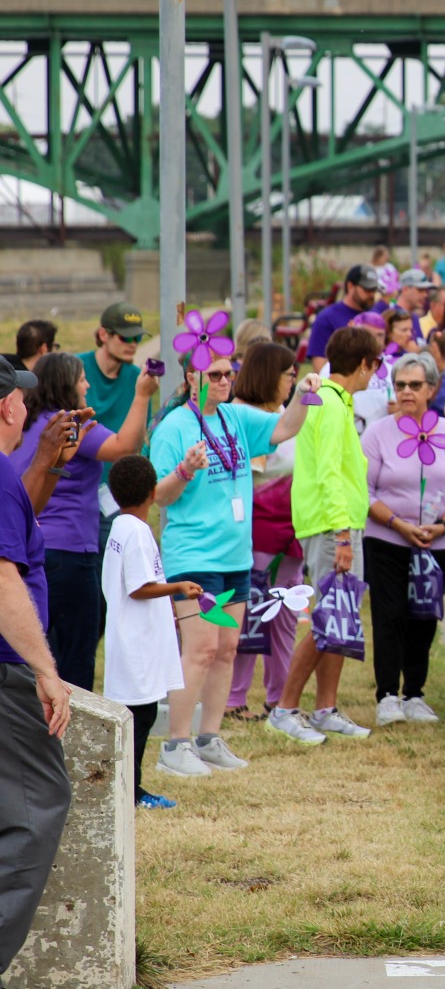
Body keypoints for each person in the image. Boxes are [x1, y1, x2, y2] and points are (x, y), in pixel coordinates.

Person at [148, 342, 312, 775]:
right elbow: (156, 496)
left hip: (234, 557)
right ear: (191, 379)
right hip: (194, 557)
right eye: (215, 375)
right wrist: (184, 471)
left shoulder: (235, 417)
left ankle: (209, 737)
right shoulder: (174, 428)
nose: (224, 382)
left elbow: (284, 429)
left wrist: (305, 396)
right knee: (200, 649)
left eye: (228, 374)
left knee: (226, 648)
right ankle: (175, 745)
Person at [11, 353, 157, 691]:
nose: (87, 384)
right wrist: (142, 396)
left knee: (44, 651)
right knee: (76, 659)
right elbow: (125, 447)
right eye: (80, 379)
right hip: (72, 553)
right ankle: (71, 737)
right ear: (66, 384)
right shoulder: (71, 424)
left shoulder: (29, 424)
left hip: (33, 551)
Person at [0, 358, 73, 989]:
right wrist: (47, 671)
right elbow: (3, 578)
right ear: (7, 408)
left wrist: (46, 460)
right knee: (38, 806)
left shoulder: (8, 474)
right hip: (6, 673)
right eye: (24, 404)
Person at [271, 324, 380, 744]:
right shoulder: (332, 404)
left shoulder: (333, 400)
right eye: (377, 364)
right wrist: (342, 535)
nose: (376, 373)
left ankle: (325, 708)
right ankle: (284, 708)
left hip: (337, 522)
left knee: (340, 619)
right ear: (366, 365)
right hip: (333, 525)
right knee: (327, 620)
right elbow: (330, 473)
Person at [362, 353, 445, 726]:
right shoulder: (378, 433)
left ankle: (414, 693)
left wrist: (442, 525)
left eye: (415, 385)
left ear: (431, 389)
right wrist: (398, 524)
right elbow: (365, 490)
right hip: (387, 540)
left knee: (423, 617)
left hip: (435, 542)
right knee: (389, 614)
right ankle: (386, 696)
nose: (406, 392)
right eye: (400, 385)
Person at [101, 454, 195, 810]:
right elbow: (139, 586)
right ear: (154, 492)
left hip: (131, 639)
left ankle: (129, 790)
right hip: (136, 645)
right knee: (140, 720)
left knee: (138, 718)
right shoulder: (137, 532)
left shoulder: (120, 526)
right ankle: (132, 793)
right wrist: (178, 588)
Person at [226, 343, 301, 719]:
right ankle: (234, 700)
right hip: (256, 533)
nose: (293, 382)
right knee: (250, 615)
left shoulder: (287, 415)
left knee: (285, 614)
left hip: (291, 534)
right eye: (289, 375)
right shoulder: (242, 416)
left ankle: (279, 697)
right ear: (271, 375)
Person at [83, 302, 153, 538]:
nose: (133, 345)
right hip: (80, 490)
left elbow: (141, 441)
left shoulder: (138, 379)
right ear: (103, 334)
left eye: (137, 339)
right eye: (125, 338)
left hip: (118, 494)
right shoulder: (76, 369)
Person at [305, 263, 386, 361]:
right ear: (350, 286)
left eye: (374, 289)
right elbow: (320, 365)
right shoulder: (327, 318)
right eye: (367, 289)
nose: (372, 294)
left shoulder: (376, 316)